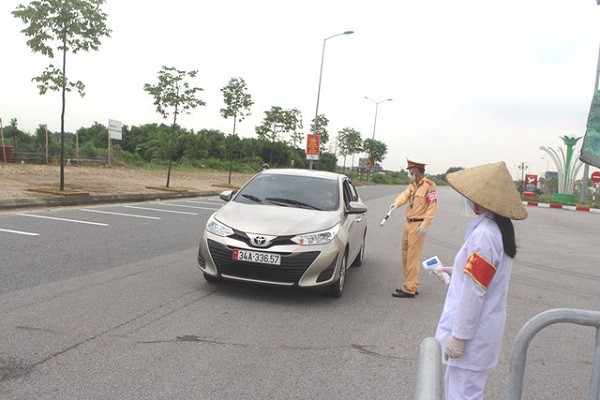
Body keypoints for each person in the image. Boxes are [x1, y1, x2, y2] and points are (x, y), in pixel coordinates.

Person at [434, 161, 527, 400]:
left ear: (482, 201)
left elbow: (476, 290)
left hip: (471, 338)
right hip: (479, 333)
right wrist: (454, 272)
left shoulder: (485, 234)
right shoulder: (495, 229)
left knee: (462, 394)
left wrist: (459, 337)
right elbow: (482, 277)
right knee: (462, 391)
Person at [390, 158, 437, 298]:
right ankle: (411, 285)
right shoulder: (413, 185)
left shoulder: (429, 186)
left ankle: (409, 289)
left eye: (410, 170)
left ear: (415, 170)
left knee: (413, 257)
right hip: (408, 223)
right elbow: (404, 196)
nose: (409, 172)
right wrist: (396, 204)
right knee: (405, 255)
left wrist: (425, 224)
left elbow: (432, 206)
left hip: (418, 225)